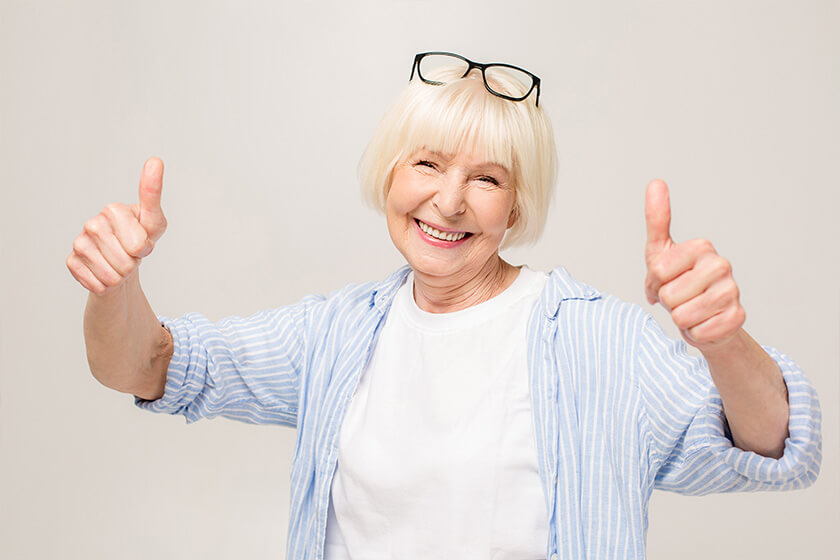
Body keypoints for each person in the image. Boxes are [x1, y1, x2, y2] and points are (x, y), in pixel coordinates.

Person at [67, 52, 822, 560]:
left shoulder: (599, 340)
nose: (449, 200)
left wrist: (724, 341)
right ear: (389, 176)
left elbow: (777, 449)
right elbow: (150, 365)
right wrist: (116, 284)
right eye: (426, 163)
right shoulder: (336, 336)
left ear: (516, 207)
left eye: (487, 178)